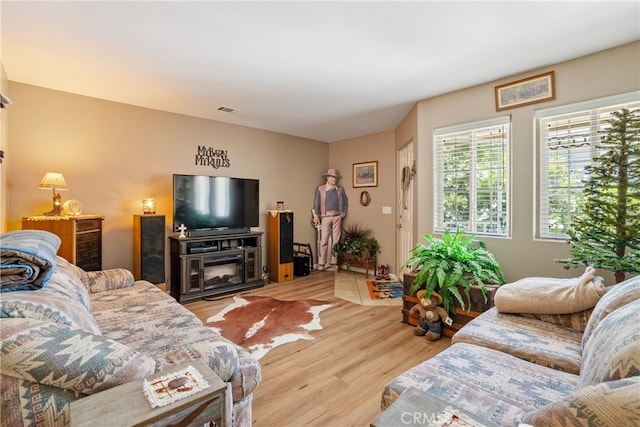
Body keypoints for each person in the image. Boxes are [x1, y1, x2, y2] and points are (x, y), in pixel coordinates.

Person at [312, 168, 348, 271]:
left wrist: (343, 212)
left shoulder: (340, 189)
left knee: (336, 240)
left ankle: (333, 262)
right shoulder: (321, 189)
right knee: (324, 240)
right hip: (325, 217)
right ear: (328, 178)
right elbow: (316, 203)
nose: (334, 179)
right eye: (332, 177)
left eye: (335, 178)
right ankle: (322, 263)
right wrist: (316, 216)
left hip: (337, 216)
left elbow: (345, 201)